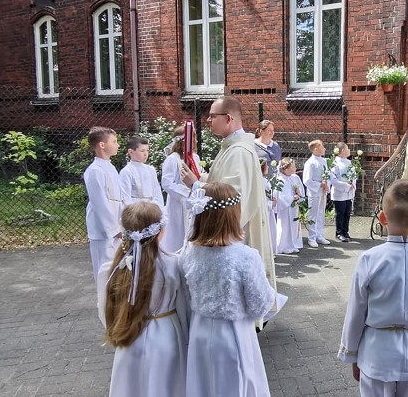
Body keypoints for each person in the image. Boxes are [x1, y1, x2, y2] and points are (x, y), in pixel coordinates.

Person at [338, 179, 408, 396]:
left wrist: (352, 353)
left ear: (382, 218)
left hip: (376, 352)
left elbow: (356, 312)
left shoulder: (369, 259)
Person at [180, 182, 276, 396]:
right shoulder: (245, 256)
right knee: (235, 384)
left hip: (199, 331)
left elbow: (187, 294)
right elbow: (260, 305)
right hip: (234, 334)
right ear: (233, 215)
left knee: (203, 386)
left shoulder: (188, 253)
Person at [97, 202, 187, 397]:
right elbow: (183, 308)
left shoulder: (110, 270)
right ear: (160, 232)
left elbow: (105, 312)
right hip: (168, 337)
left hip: (129, 337)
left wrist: (118, 329)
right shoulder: (174, 265)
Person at [202, 96, 279, 320]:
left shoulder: (239, 152)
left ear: (228, 118)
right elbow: (225, 182)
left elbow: (232, 198)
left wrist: (196, 185)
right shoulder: (232, 147)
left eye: (212, 116)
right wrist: (203, 178)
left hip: (236, 233)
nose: (207, 120)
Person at [83, 126, 124, 284]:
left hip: (116, 225)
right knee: (105, 269)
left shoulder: (110, 167)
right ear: (102, 145)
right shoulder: (95, 170)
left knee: (116, 266)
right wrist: (113, 229)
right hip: (103, 229)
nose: (118, 145)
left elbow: (119, 198)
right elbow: (99, 203)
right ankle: (105, 303)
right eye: (114, 141)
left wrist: (122, 223)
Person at [160, 126, 199, 254]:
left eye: (194, 138)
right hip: (178, 204)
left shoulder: (195, 157)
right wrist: (185, 192)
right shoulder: (172, 159)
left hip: (193, 201)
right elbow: (166, 183)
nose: (194, 141)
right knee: (177, 233)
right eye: (191, 138)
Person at [119, 135, 165, 211]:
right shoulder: (126, 171)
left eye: (147, 151)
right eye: (142, 151)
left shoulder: (151, 169)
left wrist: (159, 209)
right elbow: (125, 197)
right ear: (131, 152)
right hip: (136, 211)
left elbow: (157, 192)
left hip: (152, 210)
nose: (145, 154)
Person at [303, 139, 331, 248]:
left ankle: (320, 235)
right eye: (322, 146)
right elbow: (307, 180)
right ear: (316, 149)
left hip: (322, 191)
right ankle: (312, 237)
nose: (324, 148)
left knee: (321, 213)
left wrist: (326, 183)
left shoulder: (324, 161)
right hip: (314, 192)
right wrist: (320, 184)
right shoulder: (310, 163)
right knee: (313, 214)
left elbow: (328, 174)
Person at [275, 158, 304, 254]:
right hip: (285, 208)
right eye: (293, 166)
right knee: (285, 226)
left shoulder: (295, 177)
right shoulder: (280, 180)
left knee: (294, 225)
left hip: (294, 207)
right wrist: (292, 198)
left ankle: (293, 244)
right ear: (286, 169)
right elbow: (282, 196)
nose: (295, 167)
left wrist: (299, 196)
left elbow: (300, 189)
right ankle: (283, 245)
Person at [330, 142, 356, 242]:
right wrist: (345, 185)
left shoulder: (349, 163)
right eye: (347, 148)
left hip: (349, 192)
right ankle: (339, 232)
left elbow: (353, 175)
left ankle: (346, 231)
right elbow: (333, 179)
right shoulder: (335, 163)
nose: (349, 150)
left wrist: (352, 183)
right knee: (340, 213)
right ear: (342, 151)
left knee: (347, 213)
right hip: (339, 192)